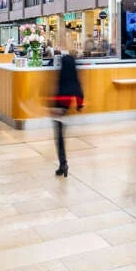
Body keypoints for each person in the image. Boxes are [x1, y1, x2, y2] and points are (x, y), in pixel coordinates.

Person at [50, 49, 83, 178]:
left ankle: (63, 164)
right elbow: (79, 93)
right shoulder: (74, 79)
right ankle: (62, 165)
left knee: (59, 138)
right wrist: (79, 105)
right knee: (61, 138)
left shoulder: (62, 78)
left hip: (59, 108)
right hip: (66, 107)